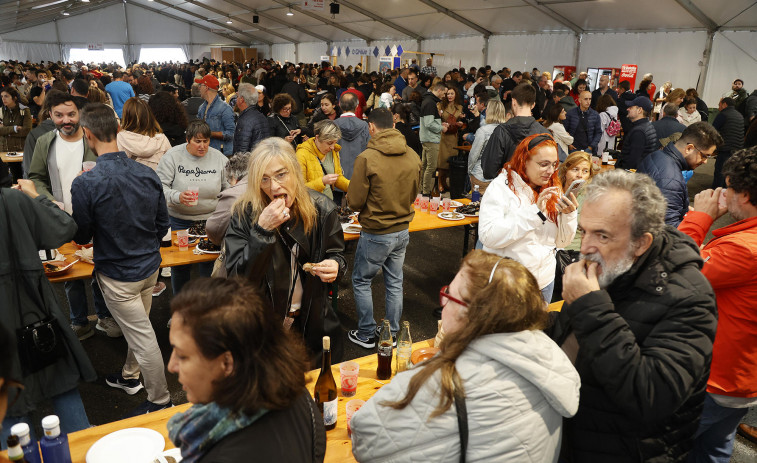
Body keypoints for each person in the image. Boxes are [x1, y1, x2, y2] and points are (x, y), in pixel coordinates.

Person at [547, 169, 717, 462]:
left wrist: (588, 305)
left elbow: (651, 396)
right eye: (584, 230)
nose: (585, 247)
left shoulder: (690, 297)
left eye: (602, 235)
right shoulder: (609, 270)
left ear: (641, 243)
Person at [354, 256, 581, 462]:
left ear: (473, 315)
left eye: (449, 296)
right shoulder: (552, 361)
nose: (443, 304)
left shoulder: (439, 382)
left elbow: (364, 438)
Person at [70, 103, 172, 416]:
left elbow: (83, 236)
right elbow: (162, 224)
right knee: (138, 328)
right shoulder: (146, 173)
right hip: (149, 267)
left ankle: (160, 400)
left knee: (142, 336)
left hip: (118, 273)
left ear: (87, 135)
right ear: (118, 132)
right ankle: (129, 377)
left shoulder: (85, 182)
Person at [165, 278, 326, 462]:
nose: (171, 367)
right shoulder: (295, 392)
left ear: (227, 363)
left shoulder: (224, 455)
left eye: (182, 356)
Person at [224, 137, 345, 365]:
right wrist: (262, 230)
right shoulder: (244, 214)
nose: (274, 187)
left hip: (312, 324)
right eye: (264, 179)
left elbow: (337, 254)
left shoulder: (323, 209)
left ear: (295, 171)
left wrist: (336, 265)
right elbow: (237, 281)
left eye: (281, 175)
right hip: (262, 330)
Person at [0, 180, 96, 443]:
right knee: (59, 380)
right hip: (35, 310)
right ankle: (80, 444)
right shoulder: (14, 200)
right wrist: (35, 195)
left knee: (8, 405)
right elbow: (64, 227)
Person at [677, 147, 757, 463]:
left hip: (716, 379)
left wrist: (700, 217)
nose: (722, 194)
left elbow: (677, 268)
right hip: (741, 379)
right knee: (713, 450)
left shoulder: (744, 249)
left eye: (729, 188)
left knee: (665, 444)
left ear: (746, 195)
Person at [28, 91, 120, 339]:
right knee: (70, 272)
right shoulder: (45, 142)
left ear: (80, 114)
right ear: (50, 115)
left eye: (71, 114)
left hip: (96, 215)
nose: (66, 120)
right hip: (62, 217)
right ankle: (79, 321)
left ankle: (104, 317)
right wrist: (49, 201)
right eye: (59, 115)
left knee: (101, 266)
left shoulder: (93, 140)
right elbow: (35, 178)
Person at [346, 108, 421, 348]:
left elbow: (355, 202)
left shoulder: (367, 158)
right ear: (394, 123)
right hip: (401, 228)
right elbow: (414, 193)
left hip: (377, 230)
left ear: (371, 127)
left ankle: (367, 333)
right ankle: (392, 332)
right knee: (395, 282)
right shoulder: (412, 154)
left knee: (361, 280)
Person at [480, 133, 578, 303]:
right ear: (524, 160)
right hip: (509, 284)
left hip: (545, 282)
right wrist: (535, 214)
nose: (550, 171)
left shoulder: (553, 189)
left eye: (554, 164)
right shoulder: (501, 188)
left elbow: (562, 243)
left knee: (537, 330)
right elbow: (488, 236)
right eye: (543, 164)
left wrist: (569, 215)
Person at [157, 120, 228, 296]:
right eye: (198, 141)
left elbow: (230, 187)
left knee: (208, 265)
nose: (203, 146)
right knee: (180, 266)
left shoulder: (219, 158)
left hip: (211, 220)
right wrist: (177, 196)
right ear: (188, 139)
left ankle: (205, 309)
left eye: (206, 141)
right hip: (180, 220)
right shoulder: (173, 156)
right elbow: (159, 188)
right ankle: (180, 309)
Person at [637, 122, 722, 227]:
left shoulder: (658, 154)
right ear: (689, 148)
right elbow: (669, 232)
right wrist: (700, 219)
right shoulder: (671, 180)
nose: (705, 162)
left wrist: (684, 210)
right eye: (705, 156)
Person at [481, 83, 549, 180]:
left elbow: (488, 171)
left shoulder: (501, 132)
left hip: (507, 189)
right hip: (534, 190)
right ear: (533, 105)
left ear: (513, 102)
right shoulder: (545, 134)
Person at [296, 119, 350, 203]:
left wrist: (352, 186)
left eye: (334, 143)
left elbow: (337, 178)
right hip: (311, 206)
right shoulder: (301, 154)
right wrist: (322, 181)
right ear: (317, 138)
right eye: (329, 143)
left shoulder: (333, 151)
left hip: (328, 204)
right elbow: (299, 189)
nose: (332, 147)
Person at [117, 97, 172, 170]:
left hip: (128, 180)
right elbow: (170, 166)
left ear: (126, 116)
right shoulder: (161, 139)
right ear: (148, 115)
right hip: (156, 180)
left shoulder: (119, 139)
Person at [468, 99, 507, 195]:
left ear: (489, 112)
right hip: (500, 177)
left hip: (480, 175)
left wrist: (469, 171)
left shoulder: (483, 131)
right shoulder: (507, 131)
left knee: (479, 206)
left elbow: (474, 155)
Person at [195, 75, 235, 156]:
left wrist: (209, 133)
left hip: (222, 156)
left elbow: (231, 133)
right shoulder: (201, 108)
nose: (199, 88)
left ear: (206, 87)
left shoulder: (225, 108)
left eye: (200, 85)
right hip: (206, 154)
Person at [419, 82, 447, 196]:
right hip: (431, 139)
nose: (444, 96)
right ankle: (426, 192)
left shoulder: (428, 101)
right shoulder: (430, 103)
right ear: (439, 91)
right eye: (444, 93)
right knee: (431, 167)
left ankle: (422, 189)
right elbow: (429, 123)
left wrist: (440, 123)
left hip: (426, 137)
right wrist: (441, 128)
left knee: (425, 166)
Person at [333, 92, 370, 180]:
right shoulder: (364, 125)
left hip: (337, 175)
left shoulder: (333, 125)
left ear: (339, 105)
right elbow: (369, 148)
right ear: (357, 106)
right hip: (358, 174)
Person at [617, 96, 658, 170]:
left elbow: (633, 161)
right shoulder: (647, 126)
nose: (627, 109)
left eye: (631, 107)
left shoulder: (639, 131)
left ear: (639, 110)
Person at [711, 97, 745, 189]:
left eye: (719, 105)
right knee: (729, 174)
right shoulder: (740, 115)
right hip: (737, 151)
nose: (718, 108)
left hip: (725, 149)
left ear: (724, 104)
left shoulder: (723, 114)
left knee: (720, 173)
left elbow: (712, 130)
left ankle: (716, 194)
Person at [437, 86, 463, 196]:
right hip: (443, 135)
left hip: (453, 136)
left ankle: (446, 183)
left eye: (452, 93)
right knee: (441, 162)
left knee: (450, 162)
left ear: (456, 94)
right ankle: (439, 183)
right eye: (448, 94)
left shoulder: (460, 107)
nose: (450, 96)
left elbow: (461, 121)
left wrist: (460, 123)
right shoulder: (440, 105)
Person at [233, 83, 271, 154]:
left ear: (242, 99)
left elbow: (241, 151)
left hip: (250, 162)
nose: (236, 99)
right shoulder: (262, 116)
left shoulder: (245, 120)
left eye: (237, 96)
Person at [564, 91, 602, 155]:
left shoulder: (595, 115)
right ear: (579, 100)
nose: (588, 101)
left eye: (590, 99)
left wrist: (591, 147)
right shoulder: (571, 113)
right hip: (573, 148)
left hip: (589, 149)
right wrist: (569, 144)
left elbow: (598, 132)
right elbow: (564, 130)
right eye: (586, 99)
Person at [0, 86, 32, 153]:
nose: (3, 99)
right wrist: (14, 128)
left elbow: (27, 130)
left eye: (6, 96)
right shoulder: (1, 111)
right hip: (5, 148)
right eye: (2, 96)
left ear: (14, 98)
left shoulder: (24, 110)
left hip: (21, 148)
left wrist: (6, 131)